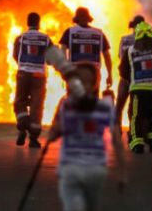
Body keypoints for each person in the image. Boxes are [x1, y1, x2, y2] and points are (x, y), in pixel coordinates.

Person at [47, 64, 126, 211]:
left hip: (70, 167)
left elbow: (53, 134)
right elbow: (117, 141)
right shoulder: (106, 107)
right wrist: (122, 174)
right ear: (95, 84)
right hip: (96, 169)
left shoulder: (66, 105)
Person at [119, 22, 152, 154]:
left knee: (135, 116)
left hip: (138, 90)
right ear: (151, 34)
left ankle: (137, 143)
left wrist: (131, 79)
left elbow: (122, 71)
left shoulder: (130, 51)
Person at [12, 12, 53, 147]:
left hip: (23, 74)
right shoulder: (46, 39)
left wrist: (24, 66)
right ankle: (34, 139)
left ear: (27, 23)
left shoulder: (20, 38)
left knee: (20, 101)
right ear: (39, 23)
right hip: (39, 76)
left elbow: (15, 56)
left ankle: (23, 126)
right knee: (37, 105)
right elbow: (51, 59)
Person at [58, 7, 114, 92]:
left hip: (75, 71)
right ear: (88, 18)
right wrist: (109, 74)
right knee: (92, 102)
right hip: (93, 73)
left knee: (74, 101)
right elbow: (107, 55)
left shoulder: (70, 32)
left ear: (76, 19)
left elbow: (62, 51)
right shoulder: (99, 33)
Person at [114, 16, 140, 127]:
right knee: (136, 107)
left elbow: (120, 56)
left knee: (119, 104)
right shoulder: (149, 42)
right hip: (140, 78)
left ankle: (117, 128)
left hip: (125, 76)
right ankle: (134, 129)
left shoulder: (124, 39)